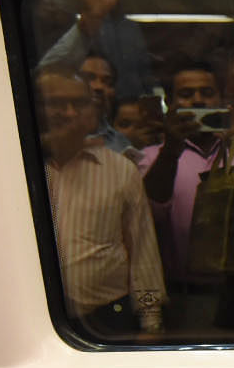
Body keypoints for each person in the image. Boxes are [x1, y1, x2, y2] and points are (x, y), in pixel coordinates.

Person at [137, 62, 234, 331]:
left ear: (223, 100)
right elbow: (150, 213)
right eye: (186, 94)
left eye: (207, 92)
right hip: (183, 297)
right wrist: (170, 151)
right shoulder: (151, 156)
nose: (197, 100)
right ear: (170, 103)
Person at [35, 69, 165, 339]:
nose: (69, 113)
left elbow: (142, 248)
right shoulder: (15, 167)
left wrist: (151, 321)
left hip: (107, 317)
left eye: (79, 103)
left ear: (92, 111)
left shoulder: (120, 169)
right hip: (33, 316)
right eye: (56, 103)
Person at [37, 0, 158, 100]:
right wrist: (91, 19)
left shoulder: (131, 28)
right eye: (90, 78)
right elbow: (49, 73)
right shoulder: (80, 26)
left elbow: (144, 72)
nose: (98, 86)